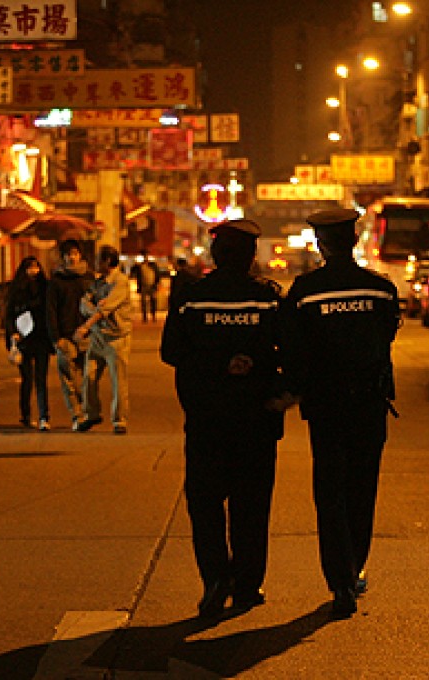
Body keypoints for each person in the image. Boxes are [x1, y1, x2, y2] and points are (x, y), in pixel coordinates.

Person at [160, 218, 290, 618]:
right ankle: (247, 585)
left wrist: (214, 365)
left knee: (206, 504)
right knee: (251, 506)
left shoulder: (192, 298)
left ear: (216, 255)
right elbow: (291, 351)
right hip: (256, 421)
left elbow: (171, 352)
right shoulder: (268, 299)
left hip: (206, 421)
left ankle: (215, 578)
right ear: (252, 256)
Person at [282, 208, 400, 618]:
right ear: (352, 240)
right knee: (362, 489)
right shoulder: (380, 290)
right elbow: (386, 336)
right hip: (369, 404)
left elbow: (292, 350)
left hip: (326, 408)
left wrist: (296, 389)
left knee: (330, 493)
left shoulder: (304, 291)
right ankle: (354, 567)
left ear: (320, 243)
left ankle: (340, 582)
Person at [76, 244, 133, 434]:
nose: (94, 263)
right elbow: (84, 303)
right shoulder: (98, 282)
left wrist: (86, 325)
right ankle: (91, 414)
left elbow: (106, 309)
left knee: (118, 380)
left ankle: (119, 420)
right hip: (98, 337)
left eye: (98, 258)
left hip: (116, 338)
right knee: (88, 376)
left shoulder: (120, 282)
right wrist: (96, 309)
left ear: (107, 261)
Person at [46, 239, 93, 431]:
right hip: (65, 337)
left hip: (87, 336)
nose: (72, 257)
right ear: (63, 257)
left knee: (88, 378)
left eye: (75, 253)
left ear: (80, 255)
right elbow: (51, 311)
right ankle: (77, 415)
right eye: (68, 254)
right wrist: (56, 337)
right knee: (68, 379)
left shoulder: (88, 279)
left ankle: (87, 410)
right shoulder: (56, 282)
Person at [5, 256, 53, 431]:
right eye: (30, 267)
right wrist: (13, 333)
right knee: (27, 379)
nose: (34, 270)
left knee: (41, 379)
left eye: (36, 267)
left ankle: (43, 416)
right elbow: (8, 315)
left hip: (41, 338)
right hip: (23, 339)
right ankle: (25, 414)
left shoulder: (45, 288)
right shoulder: (17, 290)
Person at [130, 250, 161, 322]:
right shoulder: (140, 266)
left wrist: (157, 283)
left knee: (153, 301)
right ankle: (145, 317)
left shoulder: (153, 265)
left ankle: (153, 315)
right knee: (143, 302)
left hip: (152, 285)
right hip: (144, 285)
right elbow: (133, 272)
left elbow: (157, 274)